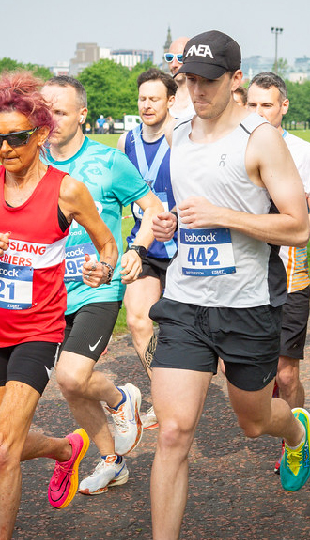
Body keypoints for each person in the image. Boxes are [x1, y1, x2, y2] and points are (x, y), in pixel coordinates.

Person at [148, 30, 310, 538]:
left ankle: (294, 429)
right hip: (183, 303)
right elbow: (181, 209)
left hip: (247, 305)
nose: (197, 91)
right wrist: (167, 225)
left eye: (209, 81)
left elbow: (298, 225)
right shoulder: (177, 135)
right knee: (174, 432)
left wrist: (225, 216)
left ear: (236, 79)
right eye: (189, 80)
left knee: (253, 421)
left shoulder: (260, 138)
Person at [0, 71, 111, 539]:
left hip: (38, 332)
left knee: (0, 454)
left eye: (15, 138)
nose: (4, 148)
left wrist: (103, 268)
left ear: (39, 134)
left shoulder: (66, 190)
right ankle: (64, 449)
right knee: (1, 445)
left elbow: (107, 247)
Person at [41, 75, 163, 495]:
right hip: (48, 292)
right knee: (68, 384)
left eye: (60, 112)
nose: (51, 120)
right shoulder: (32, 163)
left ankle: (119, 399)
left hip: (98, 285)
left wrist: (137, 250)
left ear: (81, 114)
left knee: (72, 377)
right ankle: (112, 461)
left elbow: (152, 210)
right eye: (46, 112)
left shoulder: (109, 163)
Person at [246, 71, 310, 474]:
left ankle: (294, 440)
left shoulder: (304, 153)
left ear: (284, 107)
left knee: (286, 370)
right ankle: (274, 409)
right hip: (243, 277)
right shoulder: (235, 148)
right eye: (253, 104)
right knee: (238, 370)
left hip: (290, 277)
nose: (259, 113)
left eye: (267, 105)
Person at [116, 68, 179, 431]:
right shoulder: (127, 141)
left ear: (171, 101)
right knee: (138, 319)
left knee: (190, 328)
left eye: (155, 98)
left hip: (182, 246)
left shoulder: (182, 137)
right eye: (142, 98)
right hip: (143, 245)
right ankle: (165, 396)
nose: (147, 105)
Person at [165, 36, 194, 119]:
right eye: (169, 58)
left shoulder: (204, 95)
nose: (174, 64)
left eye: (180, 58)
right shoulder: (162, 95)